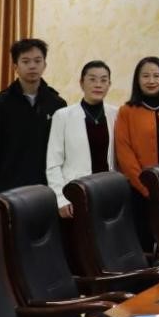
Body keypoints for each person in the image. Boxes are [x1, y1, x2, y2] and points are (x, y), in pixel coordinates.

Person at [0, 38, 66, 197]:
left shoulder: (57, 104)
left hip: (47, 191)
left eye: (37, 61)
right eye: (26, 61)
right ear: (15, 67)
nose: (32, 66)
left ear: (44, 65)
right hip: (8, 192)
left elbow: (63, 152)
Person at [114, 56, 159, 251]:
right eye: (146, 76)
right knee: (144, 245)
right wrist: (146, 189)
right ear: (137, 80)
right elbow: (124, 154)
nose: (151, 81)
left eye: (157, 76)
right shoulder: (126, 111)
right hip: (139, 192)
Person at [46, 60, 116, 217]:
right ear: (81, 83)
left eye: (103, 80)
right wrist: (60, 199)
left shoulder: (116, 114)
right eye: (92, 79)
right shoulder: (63, 116)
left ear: (109, 85)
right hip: (74, 194)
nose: (98, 85)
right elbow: (53, 163)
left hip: (108, 192)